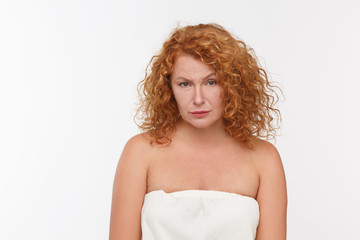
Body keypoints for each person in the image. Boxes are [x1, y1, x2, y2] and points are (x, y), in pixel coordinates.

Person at [109, 23, 287, 240]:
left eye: (211, 82)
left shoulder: (264, 159)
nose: (198, 99)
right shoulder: (141, 152)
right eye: (185, 84)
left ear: (233, 84)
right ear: (169, 88)